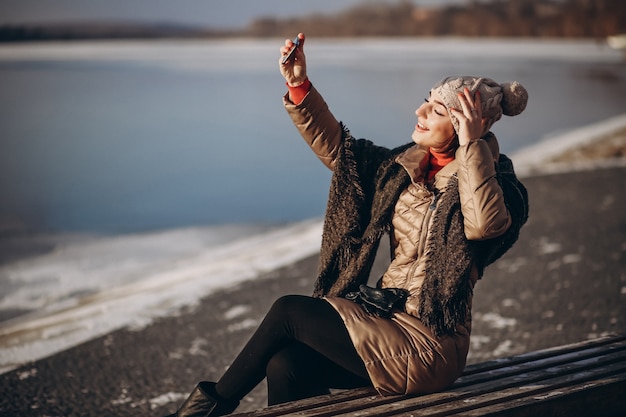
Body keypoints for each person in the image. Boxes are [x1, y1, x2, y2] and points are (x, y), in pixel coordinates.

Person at [166, 33, 529, 417]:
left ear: (463, 126)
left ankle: (203, 412)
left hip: (431, 343)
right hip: (386, 320)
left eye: (437, 112)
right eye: (426, 102)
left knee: (289, 311)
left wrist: (473, 147)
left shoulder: (499, 185)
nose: (420, 113)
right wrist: (298, 85)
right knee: (285, 364)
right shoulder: (403, 168)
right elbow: (344, 153)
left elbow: (484, 227)